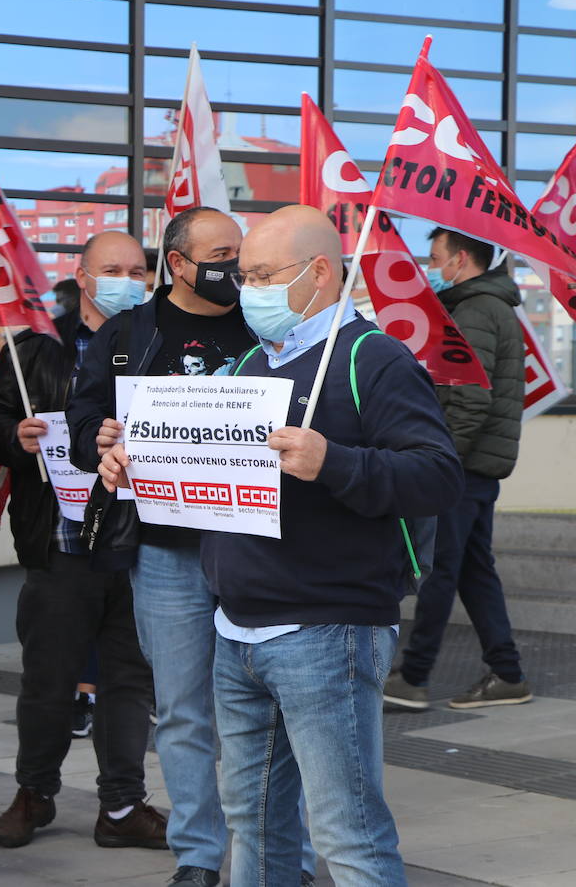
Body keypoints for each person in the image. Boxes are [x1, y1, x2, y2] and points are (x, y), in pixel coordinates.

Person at [122, 204, 459, 885]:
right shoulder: (251, 360)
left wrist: (333, 461)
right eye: (243, 275)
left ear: (321, 274)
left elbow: (438, 476)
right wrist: (137, 462)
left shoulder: (374, 358)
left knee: (348, 836)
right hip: (238, 627)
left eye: (263, 274)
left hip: (325, 630)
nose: (248, 291)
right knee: (255, 827)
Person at [68, 208, 270, 887]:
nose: (236, 267)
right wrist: (98, 442)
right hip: (165, 554)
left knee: (264, 715)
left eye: (240, 254)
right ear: (180, 264)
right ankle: (198, 857)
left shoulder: (265, 325)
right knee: (183, 712)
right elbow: (82, 421)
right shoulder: (130, 333)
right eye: (222, 254)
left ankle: (274, 857)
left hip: (254, 549)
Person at [0, 231, 166, 852]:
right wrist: (18, 436)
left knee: (129, 681)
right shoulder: (36, 350)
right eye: (111, 269)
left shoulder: (162, 343)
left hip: (142, 543)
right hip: (62, 543)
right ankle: (34, 793)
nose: (126, 280)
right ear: (82, 278)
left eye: (137, 270)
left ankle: (121, 805)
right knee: (48, 679)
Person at [385, 229, 531, 711]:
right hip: (478, 465)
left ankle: (414, 676)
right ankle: (507, 673)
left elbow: (470, 397)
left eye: (436, 258)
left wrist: (441, 461)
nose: (432, 268)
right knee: (472, 570)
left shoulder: (474, 311)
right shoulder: (491, 306)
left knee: (441, 569)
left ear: (461, 259)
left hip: (463, 467)